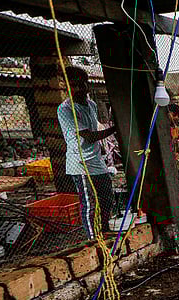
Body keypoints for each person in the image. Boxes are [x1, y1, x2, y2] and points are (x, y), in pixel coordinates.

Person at [57, 66, 117, 240]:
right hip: (80, 163)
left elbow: (95, 130)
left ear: (86, 85)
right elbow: (90, 136)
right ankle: (93, 238)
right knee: (89, 203)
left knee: (106, 197)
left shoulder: (90, 105)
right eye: (73, 85)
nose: (77, 89)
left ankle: (104, 229)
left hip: (96, 160)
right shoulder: (66, 109)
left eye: (80, 84)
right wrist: (115, 128)